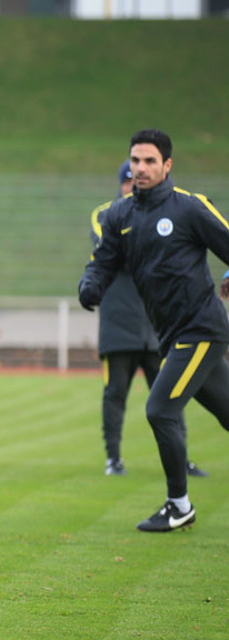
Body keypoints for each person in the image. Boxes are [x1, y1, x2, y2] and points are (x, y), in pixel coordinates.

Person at [79, 128, 229, 533]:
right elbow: (104, 261)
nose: (141, 168)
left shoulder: (189, 208)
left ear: (167, 165)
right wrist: (90, 286)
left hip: (201, 329)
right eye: (135, 160)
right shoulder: (119, 215)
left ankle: (179, 505)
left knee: (160, 410)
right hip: (172, 335)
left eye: (149, 161)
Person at [89, 160, 207, 478]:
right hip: (118, 324)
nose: (132, 186)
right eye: (127, 182)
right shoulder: (106, 214)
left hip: (158, 326)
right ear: (121, 184)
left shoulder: (165, 213)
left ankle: (181, 459)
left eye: (136, 180)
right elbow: (114, 252)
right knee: (115, 394)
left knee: (171, 395)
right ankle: (113, 459)